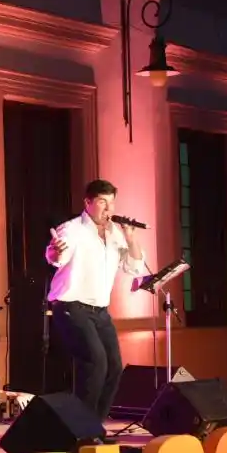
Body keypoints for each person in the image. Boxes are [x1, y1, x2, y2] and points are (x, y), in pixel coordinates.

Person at [45, 179, 148, 424]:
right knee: (95, 362)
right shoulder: (71, 229)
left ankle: (94, 426)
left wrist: (131, 238)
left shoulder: (115, 233)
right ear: (88, 203)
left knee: (114, 367)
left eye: (112, 203)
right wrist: (55, 251)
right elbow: (56, 256)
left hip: (100, 311)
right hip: (71, 306)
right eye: (102, 202)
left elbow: (134, 268)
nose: (108, 209)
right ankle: (79, 427)